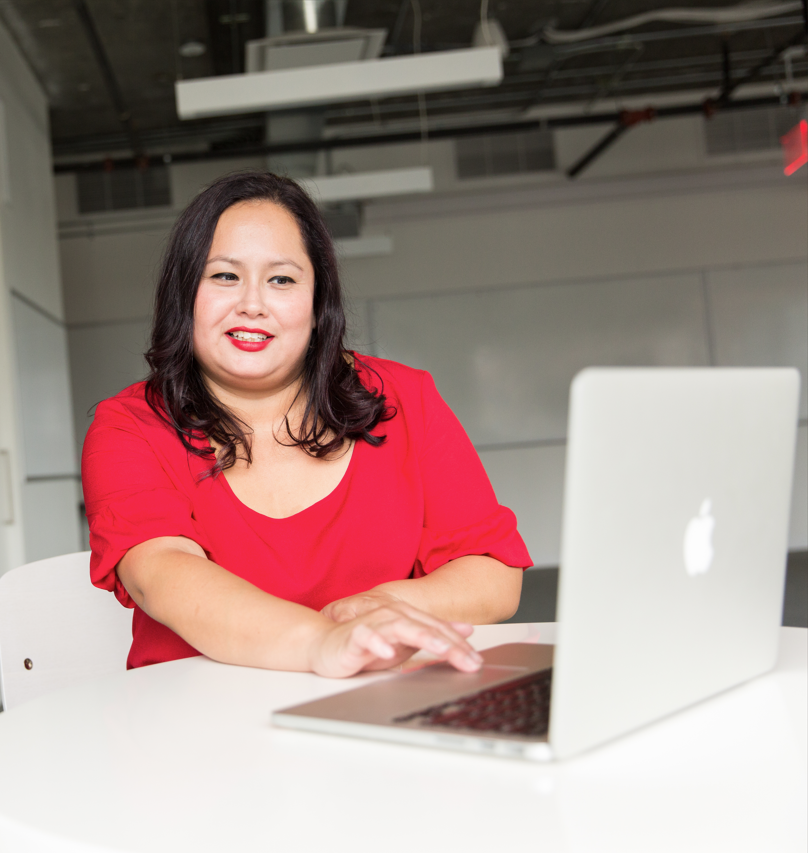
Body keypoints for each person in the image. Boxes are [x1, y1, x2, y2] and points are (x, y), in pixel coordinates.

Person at [81, 171, 532, 677]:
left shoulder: (405, 398)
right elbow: (162, 574)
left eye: (282, 279)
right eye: (224, 276)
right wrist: (323, 641)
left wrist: (369, 613)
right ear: (184, 295)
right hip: (198, 729)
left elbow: (493, 577)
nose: (252, 303)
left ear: (318, 305)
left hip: (376, 705)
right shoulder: (129, 427)